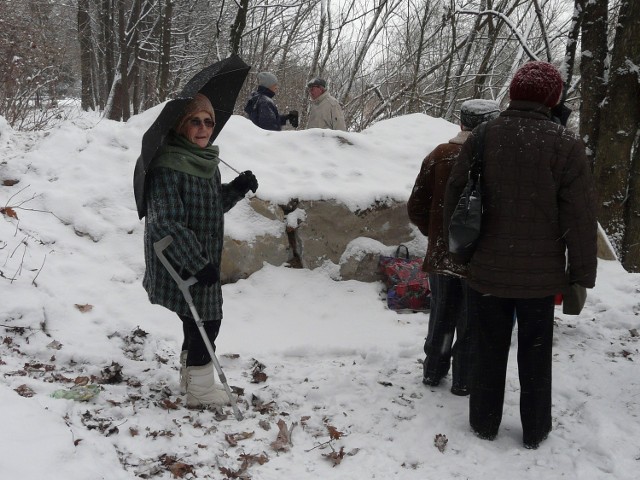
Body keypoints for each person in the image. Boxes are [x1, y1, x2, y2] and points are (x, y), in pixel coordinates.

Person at [443, 61, 598, 449]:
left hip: (488, 271)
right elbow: (579, 217)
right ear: (553, 98)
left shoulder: (483, 136)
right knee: (535, 357)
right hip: (540, 279)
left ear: (513, 91)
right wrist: (580, 276)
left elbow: (455, 196)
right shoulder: (566, 145)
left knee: (488, 350)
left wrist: (461, 254)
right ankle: (534, 430)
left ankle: (483, 422)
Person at [143, 93, 258, 408]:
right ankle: (202, 390)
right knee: (208, 320)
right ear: (182, 125)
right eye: (195, 121)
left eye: (208, 121)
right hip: (179, 260)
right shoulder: (167, 166)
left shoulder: (206, 161)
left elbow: (208, 206)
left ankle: (191, 376)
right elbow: (166, 223)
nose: (203, 128)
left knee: (193, 319)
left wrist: (235, 189)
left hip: (200, 257)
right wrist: (196, 262)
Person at [407, 99, 500, 396]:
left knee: (441, 313)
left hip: (442, 253)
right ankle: (463, 378)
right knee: (472, 319)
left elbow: (416, 207)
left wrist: (434, 233)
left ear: (461, 123)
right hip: (479, 256)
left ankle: (433, 370)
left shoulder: (440, 154)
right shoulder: (496, 159)